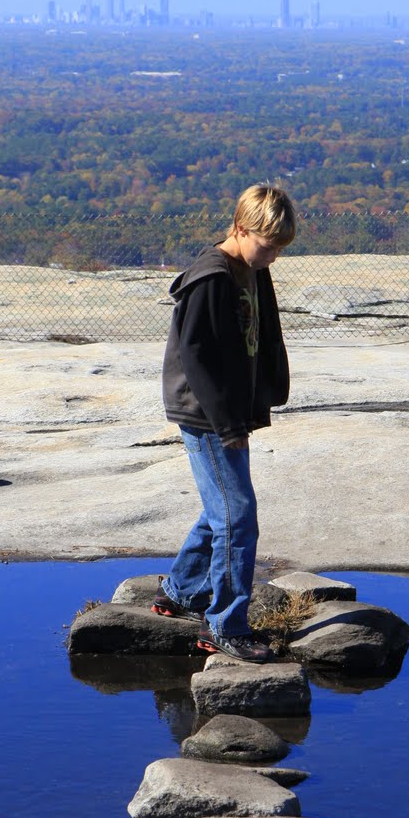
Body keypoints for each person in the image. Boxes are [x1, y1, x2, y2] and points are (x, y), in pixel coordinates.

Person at [152, 183, 296, 662]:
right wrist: (229, 424)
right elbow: (195, 356)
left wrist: (268, 391)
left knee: (223, 509)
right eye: (268, 244)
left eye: (279, 247)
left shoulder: (250, 268)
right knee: (238, 516)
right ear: (239, 227)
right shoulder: (213, 276)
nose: (273, 255)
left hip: (229, 411)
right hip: (207, 415)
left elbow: (265, 329)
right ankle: (226, 625)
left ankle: (181, 590)